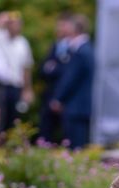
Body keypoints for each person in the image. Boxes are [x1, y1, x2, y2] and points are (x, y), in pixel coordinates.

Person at [49, 14, 95, 149]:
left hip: (76, 106)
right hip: (79, 106)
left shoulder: (81, 51)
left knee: (76, 146)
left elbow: (70, 79)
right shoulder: (86, 48)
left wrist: (58, 98)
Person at [0, 11, 35, 133]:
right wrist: (1, 20)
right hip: (1, 86)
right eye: (12, 24)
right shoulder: (0, 37)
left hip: (16, 86)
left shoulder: (23, 43)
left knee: (13, 119)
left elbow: (26, 67)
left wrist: (27, 89)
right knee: (0, 118)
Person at [37, 13, 73, 144]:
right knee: (46, 131)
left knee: (66, 134)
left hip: (66, 97)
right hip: (50, 95)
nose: (59, 29)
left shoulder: (74, 47)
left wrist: (53, 68)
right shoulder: (54, 46)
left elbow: (67, 72)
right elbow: (42, 70)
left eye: (63, 25)